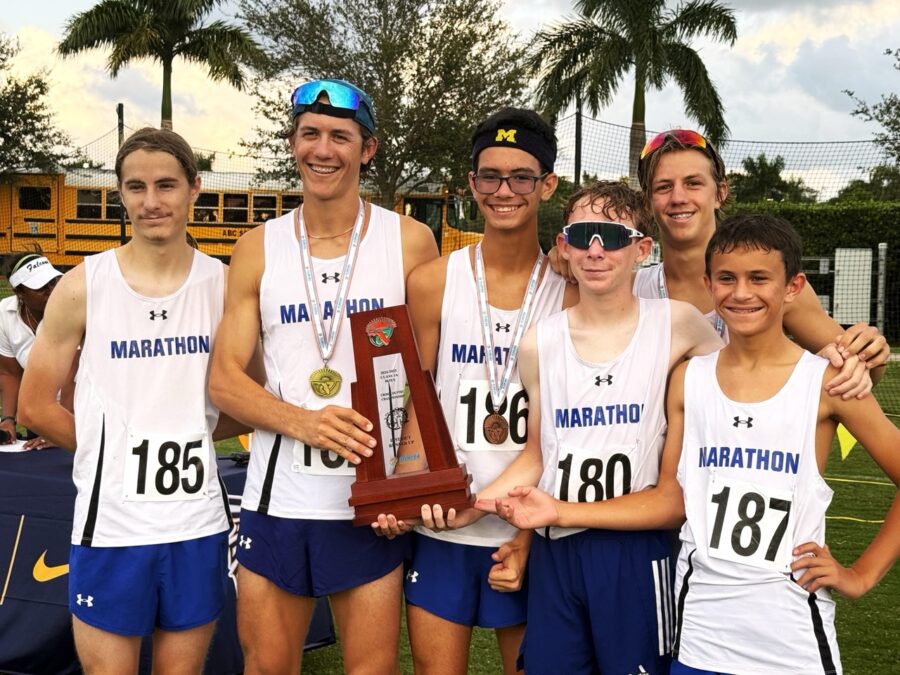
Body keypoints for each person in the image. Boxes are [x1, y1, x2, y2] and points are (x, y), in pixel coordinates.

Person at [487, 214, 900, 674]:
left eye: (759, 278)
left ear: (793, 286)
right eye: (726, 279)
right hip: (700, 634)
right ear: (708, 284)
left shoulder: (825, 383)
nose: (741, 293)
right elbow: (670, 495)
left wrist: (860, 576)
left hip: (790, 636)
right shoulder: (688, 380)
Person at [207, 79, 438, 674]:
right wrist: (305, 423)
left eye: (341, 136)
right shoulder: (257, 247)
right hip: (277, 493)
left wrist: (406, 485)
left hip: (368, 500)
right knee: (266, 666)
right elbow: (225, 381)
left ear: (369, 149)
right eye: (310, 134)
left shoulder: (410, 242)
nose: (323, 149)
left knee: (371, 670)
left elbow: (428, 373)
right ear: (293, 144)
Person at [472, 180, 724, 674]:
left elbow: (740, 380)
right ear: (563, 245)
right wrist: (468, 506)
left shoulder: (679, 323)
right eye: (583, 234)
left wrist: (831, 354)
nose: (595, 249)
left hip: (636, 547)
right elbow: (536, 456)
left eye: (611, 236)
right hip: (557, 550)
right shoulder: (538, 343)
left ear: (641, 249)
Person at [19, 127, 246, 674]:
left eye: (166, 185)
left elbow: (246, 398)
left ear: (194, 188)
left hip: (196, 522)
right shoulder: (84, 285)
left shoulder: (225, 286)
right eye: (135, 187)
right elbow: (33, 406)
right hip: (111, 523)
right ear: (120, 193)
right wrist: (107, 449)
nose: (151, 202)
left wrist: (186, 431)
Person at [375, 108, 577, 675]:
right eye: (489, 176)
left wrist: (531, 531)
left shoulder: (572, 291)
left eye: (521, 177)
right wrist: (404, 489)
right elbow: (413, 397)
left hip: (529, 529)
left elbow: (575, 423)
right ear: (471, 183)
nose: (504, 190)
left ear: (548, 185)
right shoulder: (436, 281)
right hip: (442, 524)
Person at [551, 129, 890, 396]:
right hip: (651, 478)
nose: (679, 198)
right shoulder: (627, 289)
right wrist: (564, 255)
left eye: (693, 183)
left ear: (721, 193)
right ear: (648, 201)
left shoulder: (767, 287)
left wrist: (870, 354)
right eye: (664, 187)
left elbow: (856, 368)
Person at [0, 252, 63, 448]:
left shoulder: (71, 309)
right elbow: (10, 373)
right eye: (41, 287)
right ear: (19, 291)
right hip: (39, 416)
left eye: (54, 282)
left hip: (82, 415)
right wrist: (8, 419)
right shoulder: (4, 313)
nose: (51, 290)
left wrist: (64, 431)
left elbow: (72, 374)